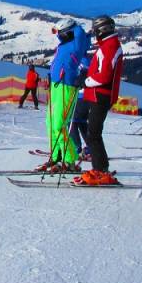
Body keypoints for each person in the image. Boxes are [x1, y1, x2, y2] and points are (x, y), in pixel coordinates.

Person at [73, 15, 123, 185]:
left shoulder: (110, 46)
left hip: (100, 94)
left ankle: (100, 170)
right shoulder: (109, 45)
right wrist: (86, 77)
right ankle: (101, 167)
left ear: (102, 30)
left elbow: (105, 75)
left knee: (93, 133)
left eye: (96, 31)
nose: (95, 34)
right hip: (98, 93)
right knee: (93, 133)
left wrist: (85, 81)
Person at [40, 18, 90, 173]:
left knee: (59, 124)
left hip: (67, 86)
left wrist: (73, 26)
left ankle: (69, 160)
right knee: (50, 123)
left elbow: (81, 33)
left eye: (61, 33)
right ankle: (56, 156)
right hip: (55, 85)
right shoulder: (64, 45)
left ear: (68, 32)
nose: (59, 36)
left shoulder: (77, 43)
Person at [69, 90, 91, 162]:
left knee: (72, 121)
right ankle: (91, 147)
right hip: (86, 97)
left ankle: (76, 147)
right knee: (81, 122)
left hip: (80, 96)